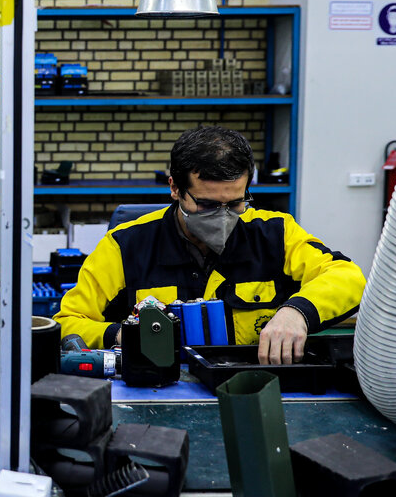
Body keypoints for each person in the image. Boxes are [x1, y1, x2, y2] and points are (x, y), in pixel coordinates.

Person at [56, 125, 365, 365]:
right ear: (175, 188)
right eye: (206, 205)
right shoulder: (125, 245)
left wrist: (297, 312)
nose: (222, 218)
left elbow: (348, 278)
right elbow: (68, 322)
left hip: (253, 385)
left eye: (235, 203)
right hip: (157, 392)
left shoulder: (276, 234)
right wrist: (121, 334)